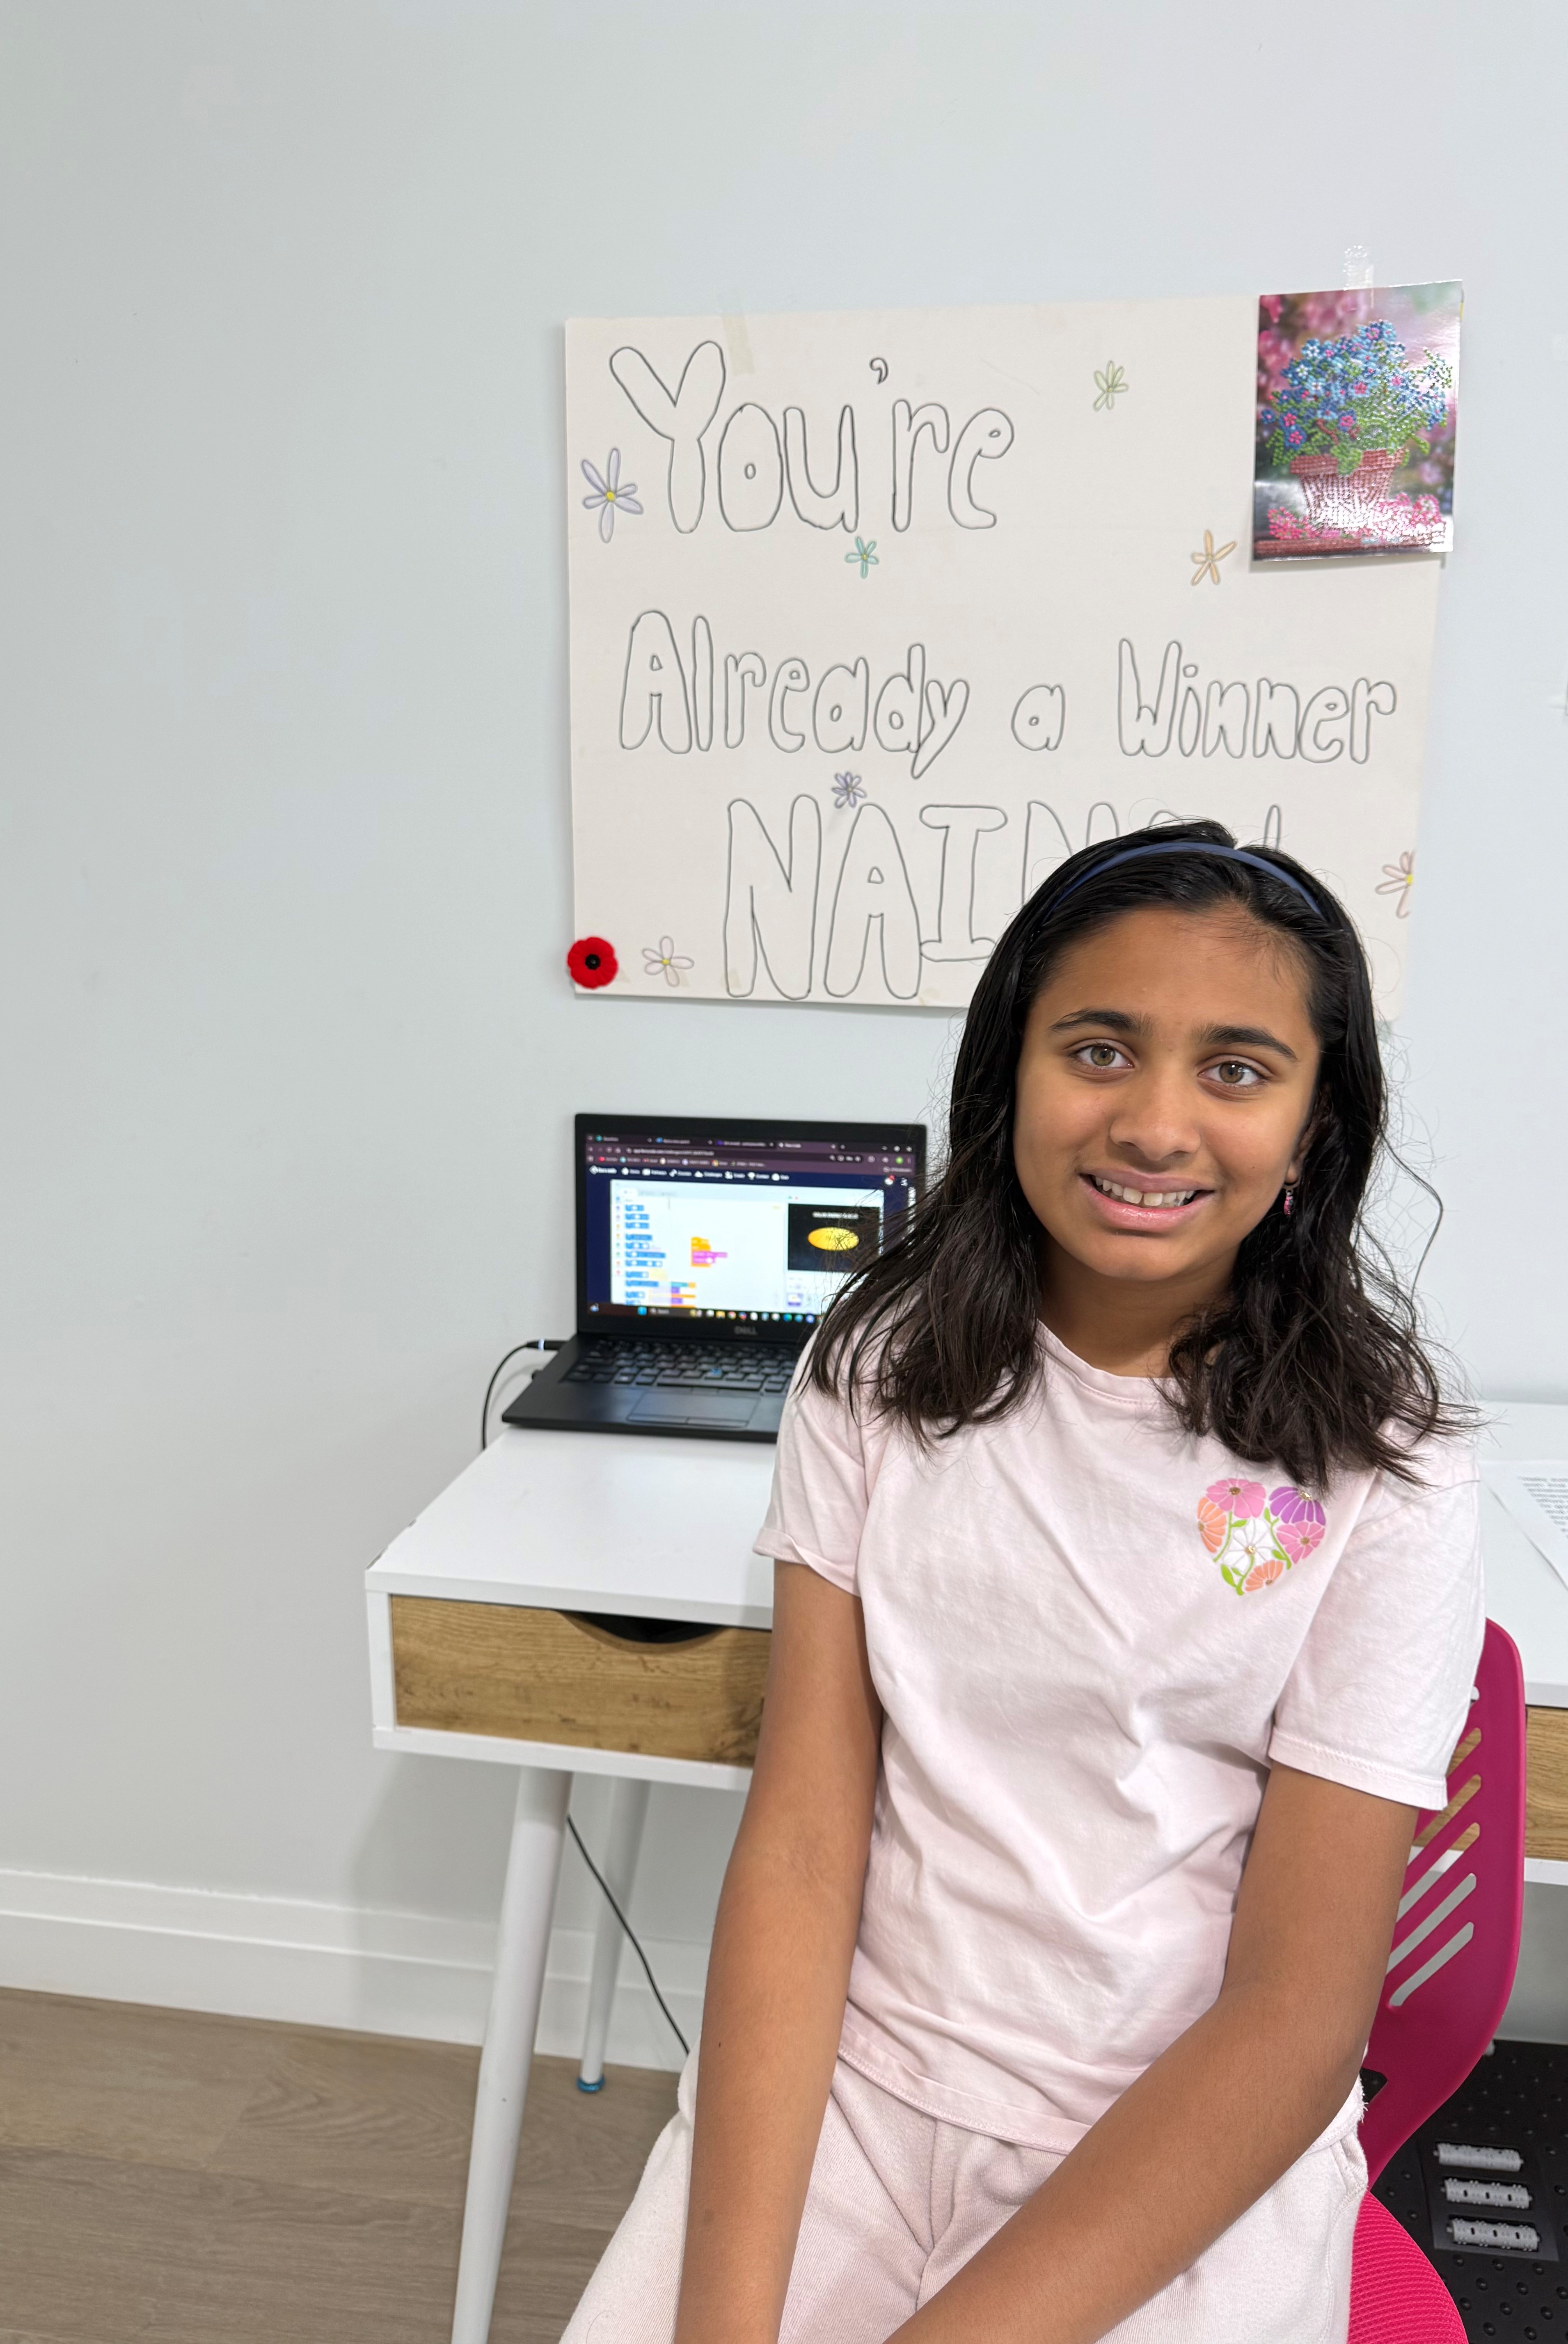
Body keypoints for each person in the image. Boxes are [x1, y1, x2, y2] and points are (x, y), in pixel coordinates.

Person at [562, 819, 1482, 2344]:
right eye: (1100, 1049)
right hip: (862, 2089)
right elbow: (801, 1847)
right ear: (1010, 1075)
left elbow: (1300, 2015)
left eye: (1238, 1069)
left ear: (1317, 1129)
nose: (1157, 1124)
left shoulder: (1389, 1478)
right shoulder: (874, 1374)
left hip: (1172, 2140)